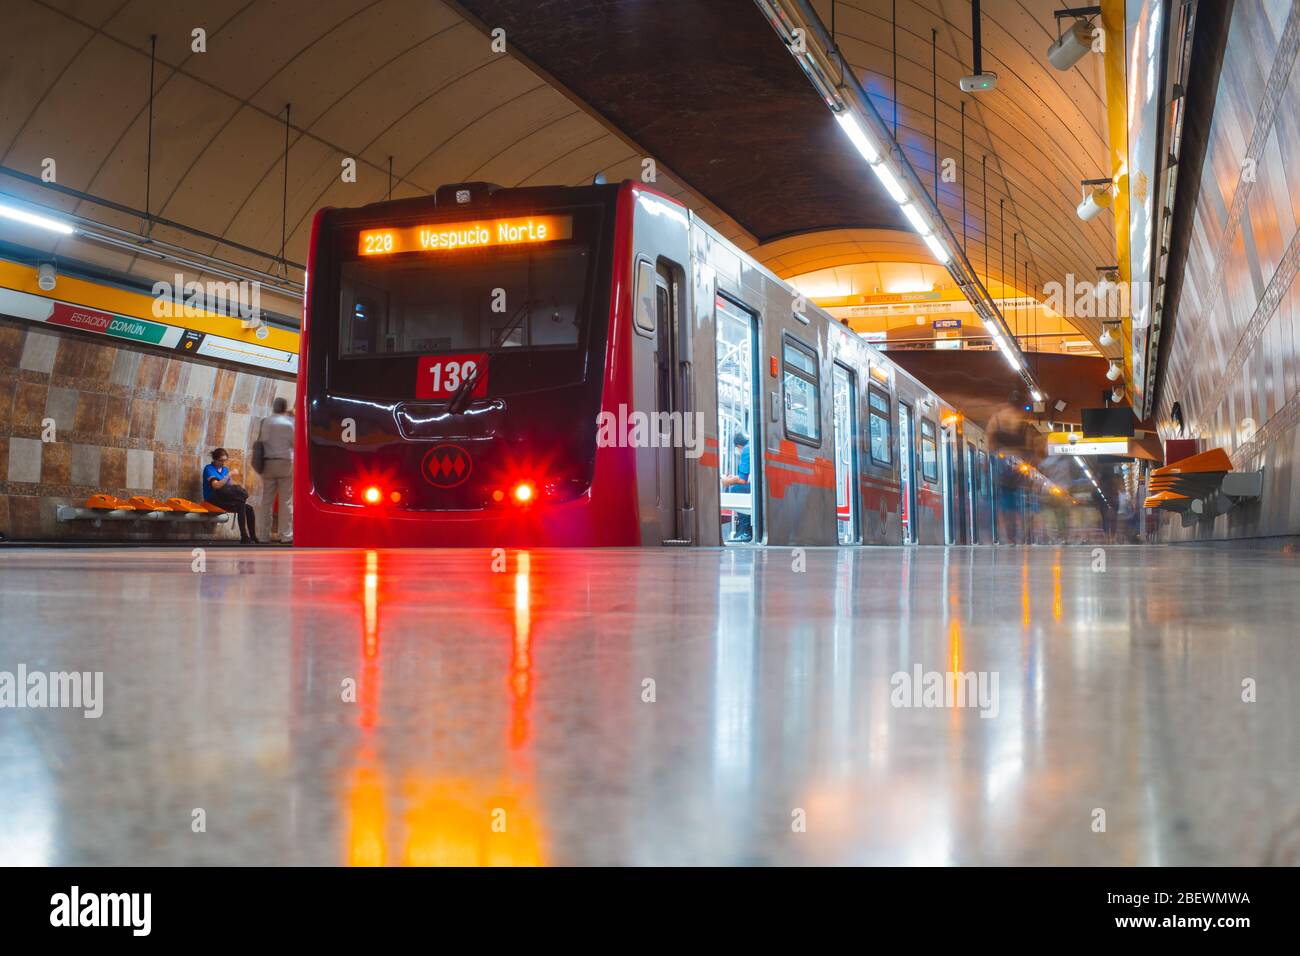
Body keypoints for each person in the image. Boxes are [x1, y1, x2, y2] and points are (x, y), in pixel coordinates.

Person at [256, 397, 295, 543]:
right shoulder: (290, 423)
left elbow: (262, 441)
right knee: (286, 501)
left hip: (268, 464)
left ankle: (263, 536)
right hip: (286, 463)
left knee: (267, 501)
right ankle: (286, 535)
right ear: (285, 408)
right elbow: (295, 443)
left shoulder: (266, 422)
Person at [204, 447, 259, 543]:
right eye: (221, 460)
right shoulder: (209, 469)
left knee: (248, 508)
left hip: (224, 498)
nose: (223, 463)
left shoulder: (224, 469)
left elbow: (228, 488)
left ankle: (252, 536)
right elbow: (216, 486)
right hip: (213, 499)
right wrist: (229, 475)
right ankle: (244, 536)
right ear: (215, 459)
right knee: (240, 503)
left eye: (224, 461)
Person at [721, 431, 752, 541]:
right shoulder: (751, 446)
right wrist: (733, 478)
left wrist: (727, 481)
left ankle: (746, 531)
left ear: (738, 446)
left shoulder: (746, 450)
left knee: (736, 489)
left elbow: (742, 480)